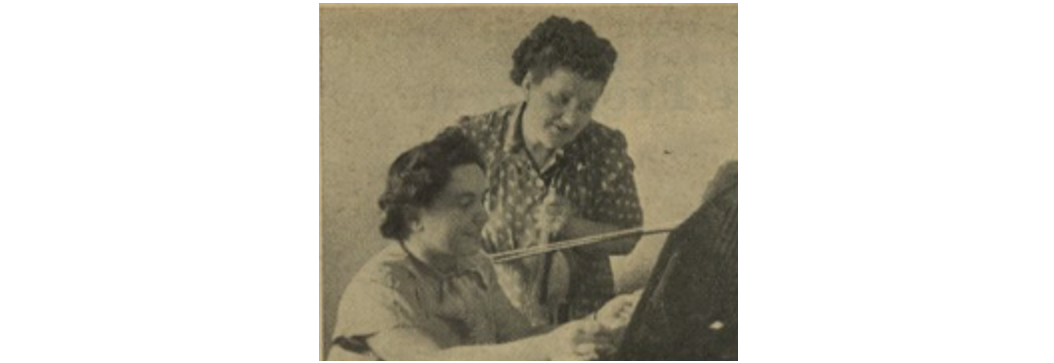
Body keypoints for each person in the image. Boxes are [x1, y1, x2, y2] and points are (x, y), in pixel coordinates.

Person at [327, 131, 639, 361]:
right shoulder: (379, 288)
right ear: (413, 217)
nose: (483, 215)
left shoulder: (474, 264)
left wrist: (595, 324)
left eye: (482, 200)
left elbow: (523, 339)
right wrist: (549, 349)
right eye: (464, 204)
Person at [450, 16, 644, 326]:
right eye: (560, 99)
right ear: (528, 84)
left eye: (586, 106)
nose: (571, 119)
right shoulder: (471, 141)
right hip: (494, 327)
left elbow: (628, 237)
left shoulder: (604, 146)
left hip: (586, 324)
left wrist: (572, 226)